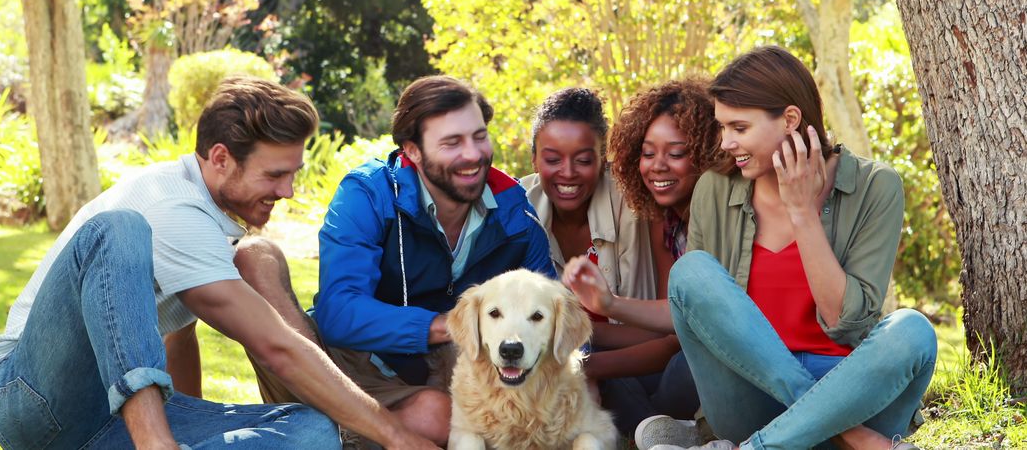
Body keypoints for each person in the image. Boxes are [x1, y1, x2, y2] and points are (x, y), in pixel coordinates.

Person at [0, 77, 436, 450]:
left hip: (109, 424)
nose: (288, 191)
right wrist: (396, 435)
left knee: (314, 432)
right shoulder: (171, 205)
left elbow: (177, 336)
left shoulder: (206, 216)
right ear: (220, 159)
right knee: (119, 229)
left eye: (293, 174)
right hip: (35, 402)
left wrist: (192, 422)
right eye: (275, 174)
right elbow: (278, 347)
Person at [565, 46, 936, 450]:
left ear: (790, 119)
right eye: (723, 127)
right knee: (692, 272)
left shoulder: (875, 187)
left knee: (913, 330)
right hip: (750, 400)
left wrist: (803, 215)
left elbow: (844, 323)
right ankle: (844, 438)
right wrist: (610, 304)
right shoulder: (716, 189)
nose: (725, 143)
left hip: (852, 394)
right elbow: (702, 312)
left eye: (738, 128)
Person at [239, 75, 554, 446]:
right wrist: (452, 325)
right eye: (452, 142)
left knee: (440, 415)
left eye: (479, 136)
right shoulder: (369, 194)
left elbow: (551, 322)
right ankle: (334, 427)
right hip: (333, 364)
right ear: (413, 151)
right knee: (254, 256)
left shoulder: (515, 215)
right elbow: (339, 314)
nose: (472, 154)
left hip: (424, 383)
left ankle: (327, 434)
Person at [520, 84, 721, 436]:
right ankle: (666, 434)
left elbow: (676, 331)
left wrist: (581, 354)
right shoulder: (520, 209)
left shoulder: (643, 202)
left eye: (583, 159)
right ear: (534, 159)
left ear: (604, 159)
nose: (567, 172)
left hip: (666, 365)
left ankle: (661, 431)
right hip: (611, 367)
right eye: (552, 159)